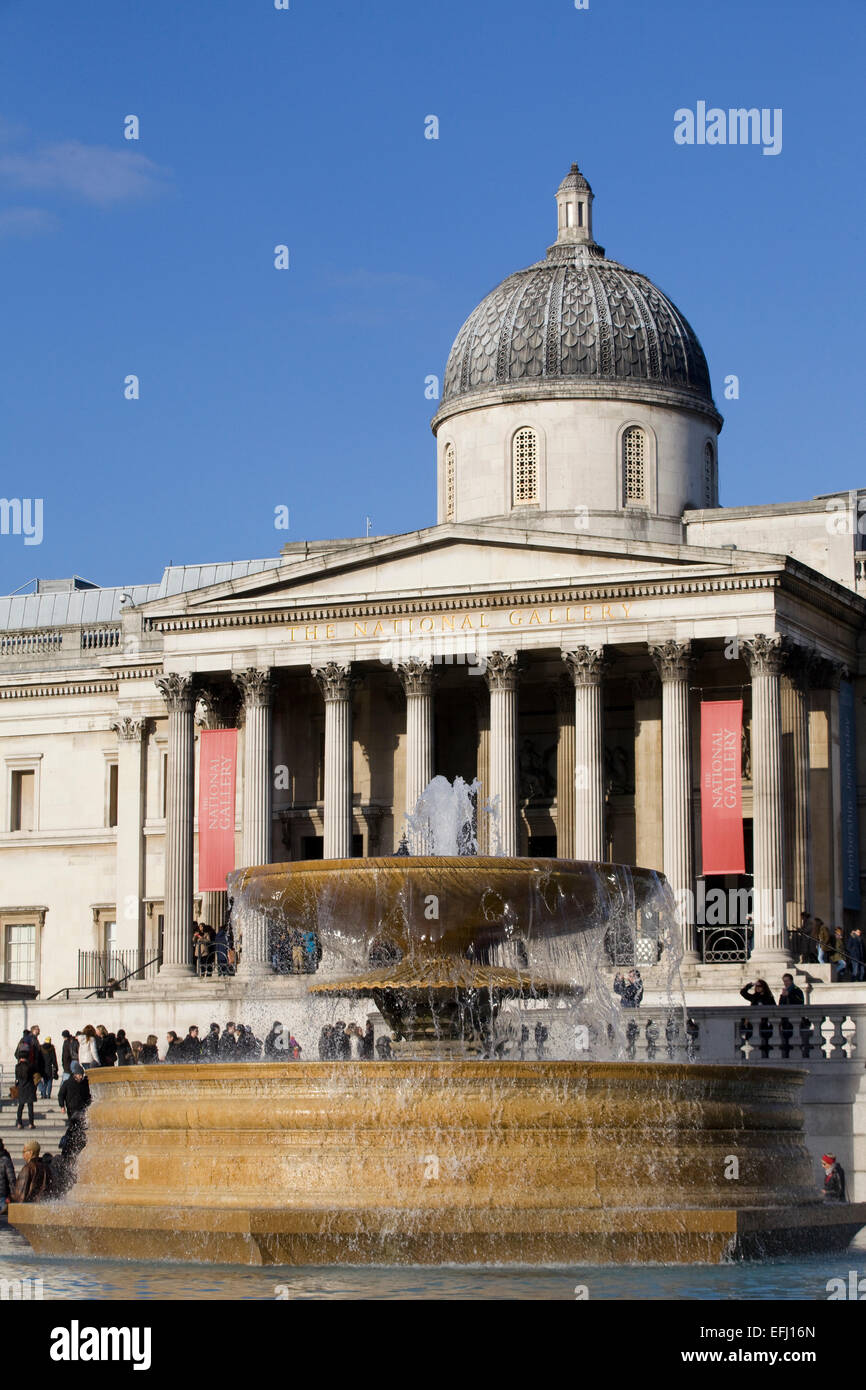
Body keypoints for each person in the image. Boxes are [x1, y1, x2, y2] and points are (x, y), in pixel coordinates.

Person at [14, 1053, 37, 1129]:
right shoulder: (30, 1066)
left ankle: (19, 1123)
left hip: (21, 1088)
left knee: (20, 1106)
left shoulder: (17, 1067)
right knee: (30, 1107)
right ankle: (31, 1123)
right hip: (29, 1087)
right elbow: (35, 1075)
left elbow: (17, 1078)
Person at [39, 1035, 59, 1099]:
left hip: (43, 1067)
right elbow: (54, 1059)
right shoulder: (52, 1048)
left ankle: (44, 1094)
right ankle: (48, 1095)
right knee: (50, 1082)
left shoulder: (41, 1048)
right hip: (50, 1067)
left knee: (45, 1082)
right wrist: (56, 1068)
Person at [0, 1138, 16, 1217]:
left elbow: (12, 1179)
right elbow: (12, 1179)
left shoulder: (5, 1160)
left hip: (3, 1196)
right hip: (3, 1195)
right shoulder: (5, 1160)